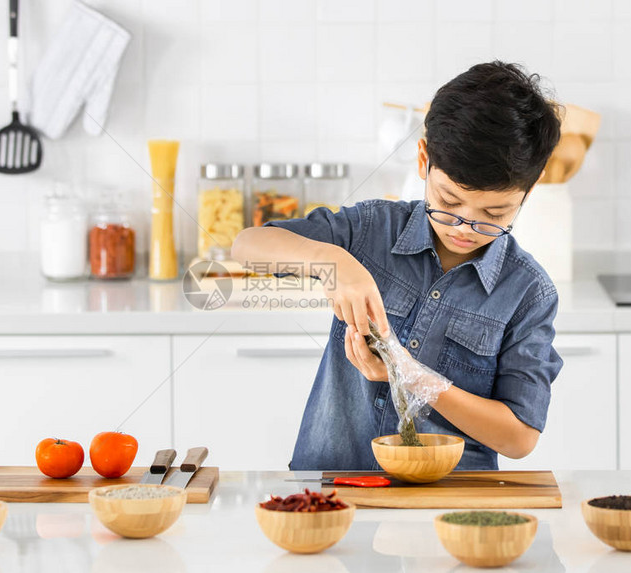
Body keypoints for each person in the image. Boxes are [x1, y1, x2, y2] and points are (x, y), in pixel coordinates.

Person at [231, 61, 564, 470]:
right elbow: (247, 246)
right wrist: (331, 259)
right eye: (449, 202)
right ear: (424, 159)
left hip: (449, 509)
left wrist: (413, 378)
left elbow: (519, 436)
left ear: (531, 188)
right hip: (333, 493)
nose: (465, 228)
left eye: (494, 214)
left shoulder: (528, 292)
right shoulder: (372, 229)